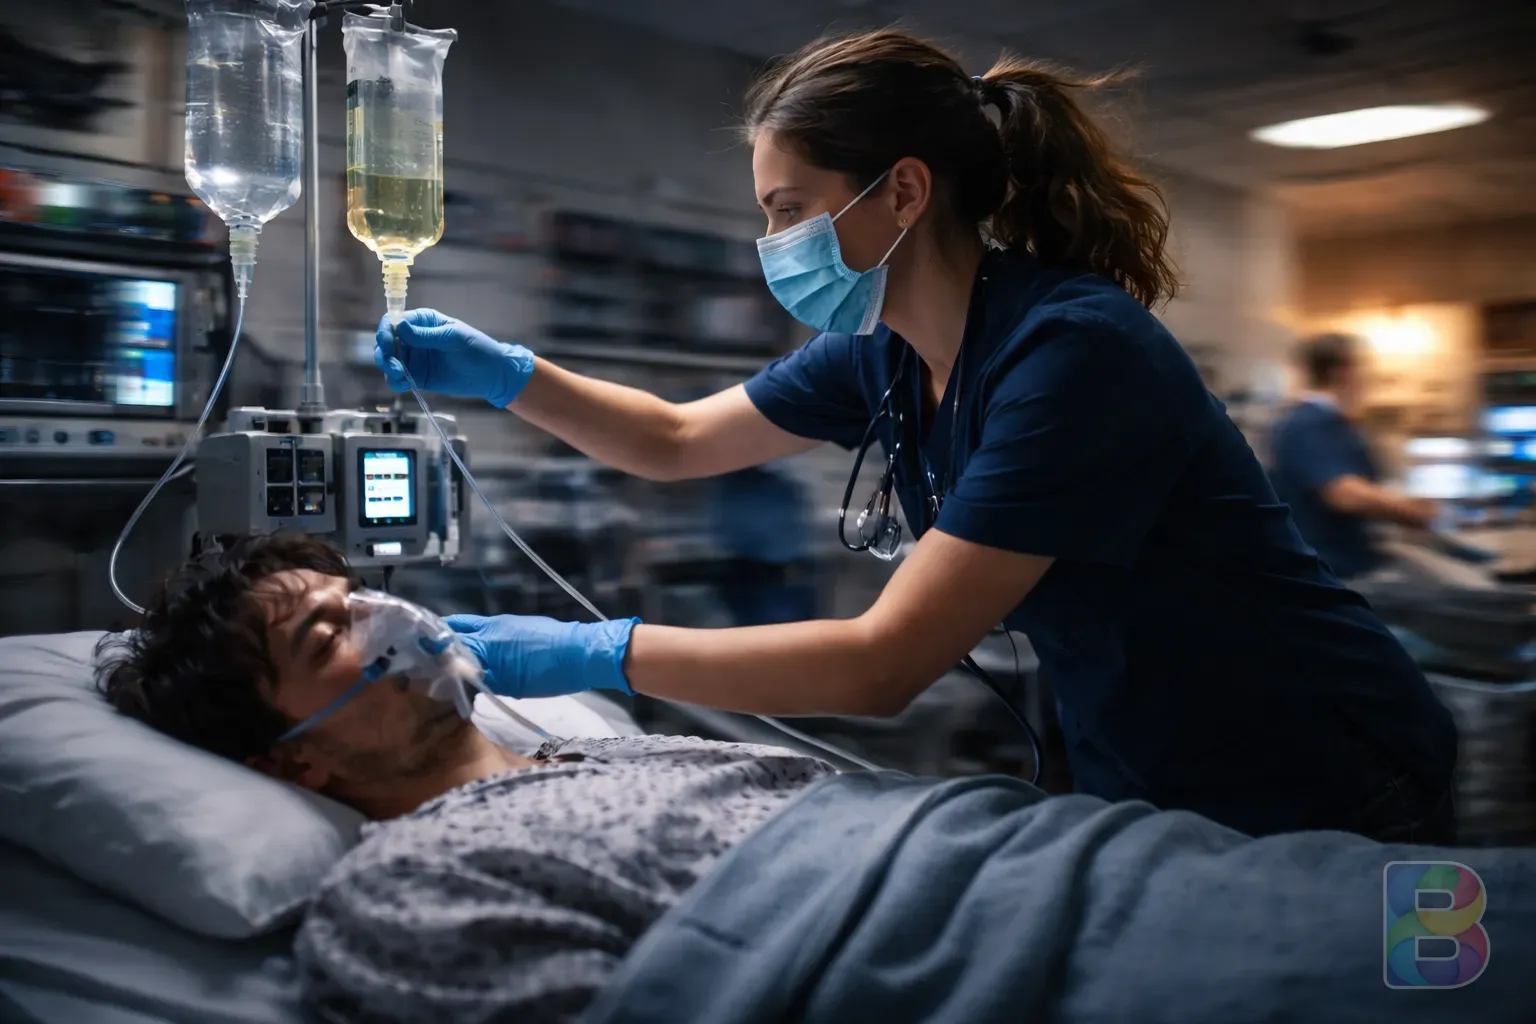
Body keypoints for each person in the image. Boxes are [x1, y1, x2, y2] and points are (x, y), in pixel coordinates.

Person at [374, 30, 1456, 841]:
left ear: (902, 191)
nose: (772, 241)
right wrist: (504, 373)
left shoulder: (1075, 354)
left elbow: (883, 662)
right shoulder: (882, 349)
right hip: (1149, 761)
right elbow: (671, 439)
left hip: (1326, 763)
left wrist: (597, 651)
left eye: (788, 207)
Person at [97, 533, 1535, 1024]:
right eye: (323, 630)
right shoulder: (398, 899)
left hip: (1113, 883)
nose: (381, 615)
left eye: (357, 588)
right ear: (297, 754)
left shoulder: (612, 746)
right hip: (1035, 965)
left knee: (1462, 925)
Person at [1269, 331, 1439, 581]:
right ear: (1343, 372)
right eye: (1364, 367)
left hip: (1348, 565)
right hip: (1332, 573)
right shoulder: (1311, 422)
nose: (1369, 378)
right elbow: (1344, 494)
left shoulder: (1331, 423)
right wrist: (1410, 510)